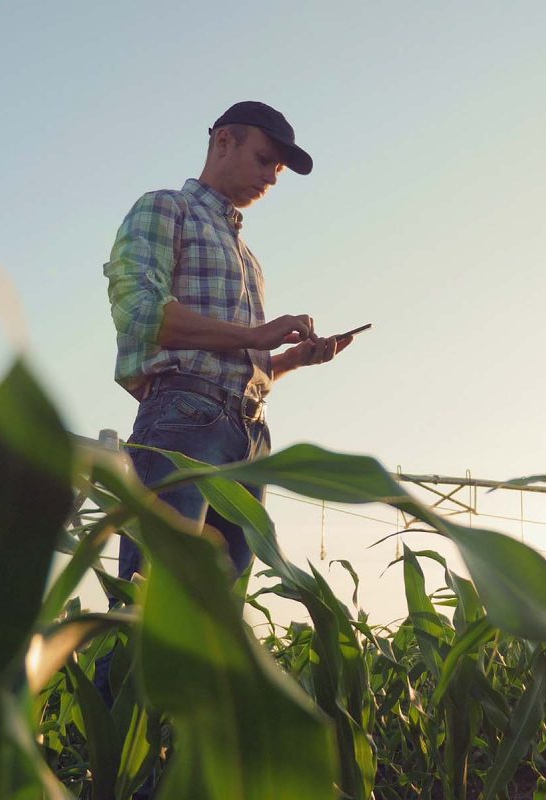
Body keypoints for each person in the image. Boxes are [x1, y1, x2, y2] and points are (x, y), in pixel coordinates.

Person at [103, 100, 352, 584]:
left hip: (250, 434)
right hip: (184, 421)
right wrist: (255, 335)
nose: (273, 179)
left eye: (278, 169)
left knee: (217, 626)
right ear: (223, 141)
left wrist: (288, 361)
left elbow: (229, 358)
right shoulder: (165, 208)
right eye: (265, 161)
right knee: (151, 603)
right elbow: (138, 312)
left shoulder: (248, 258)